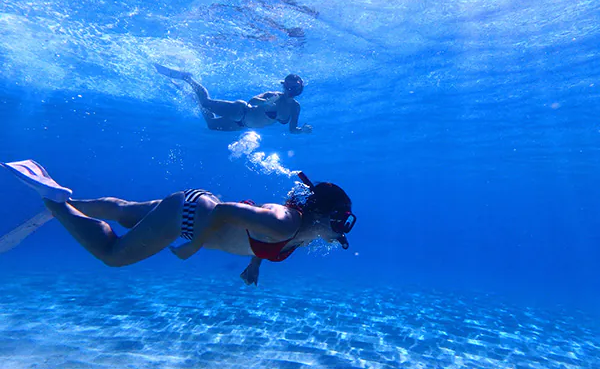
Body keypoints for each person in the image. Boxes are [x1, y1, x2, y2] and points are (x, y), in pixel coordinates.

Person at [1, 160, 356, 286]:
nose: (342, 229)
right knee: (114, 255)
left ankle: (68, 199)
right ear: (321, 214)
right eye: (340, 220)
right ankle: (53, 202)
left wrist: (254, 264)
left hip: (188, 205)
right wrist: (193, 245)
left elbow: (262, 238)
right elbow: (224, 212)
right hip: (190, 217)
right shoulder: (283, 221)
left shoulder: (306, 233)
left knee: (126, 212)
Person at [155, 64, 313, 134]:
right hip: (240, 112)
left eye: (293, 88)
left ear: (299, 90)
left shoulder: (295, 108)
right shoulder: (274, 96)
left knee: (211, 124)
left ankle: (193, 96)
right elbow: (252, 101)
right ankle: (187, 78)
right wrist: (265, 103)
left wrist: (302, 131)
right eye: (288, 87)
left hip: (241, 125)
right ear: (284, 86)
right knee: (206, 102)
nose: (289, 91)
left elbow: (292, 130)